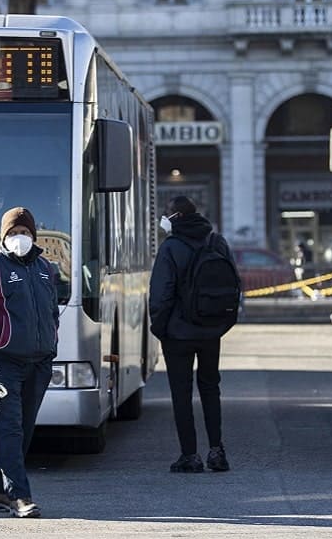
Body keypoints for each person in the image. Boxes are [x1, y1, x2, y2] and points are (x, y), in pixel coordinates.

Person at [0, 207, 60, 519]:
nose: (21, 238)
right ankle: (20, 497)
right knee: (11, 428)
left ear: (34, 236)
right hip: (2, 363)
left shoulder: (46, 267)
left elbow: (52, 312)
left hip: (39, 363)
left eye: (26, 233)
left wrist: (51, 347)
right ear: (4, 236)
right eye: (15, 233)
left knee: (25, 429)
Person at [150, 196, 237, 473]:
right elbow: (233, 284)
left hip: (178, 332)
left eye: (166, 213)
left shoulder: (171, 247)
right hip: (211, 329)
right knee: (211, 388)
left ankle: (190, 455)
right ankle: (217, 451)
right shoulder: (216, 242)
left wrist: (159, 327)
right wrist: (222, 323)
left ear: (174, 217)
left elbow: (161, 293)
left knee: (182, 393)